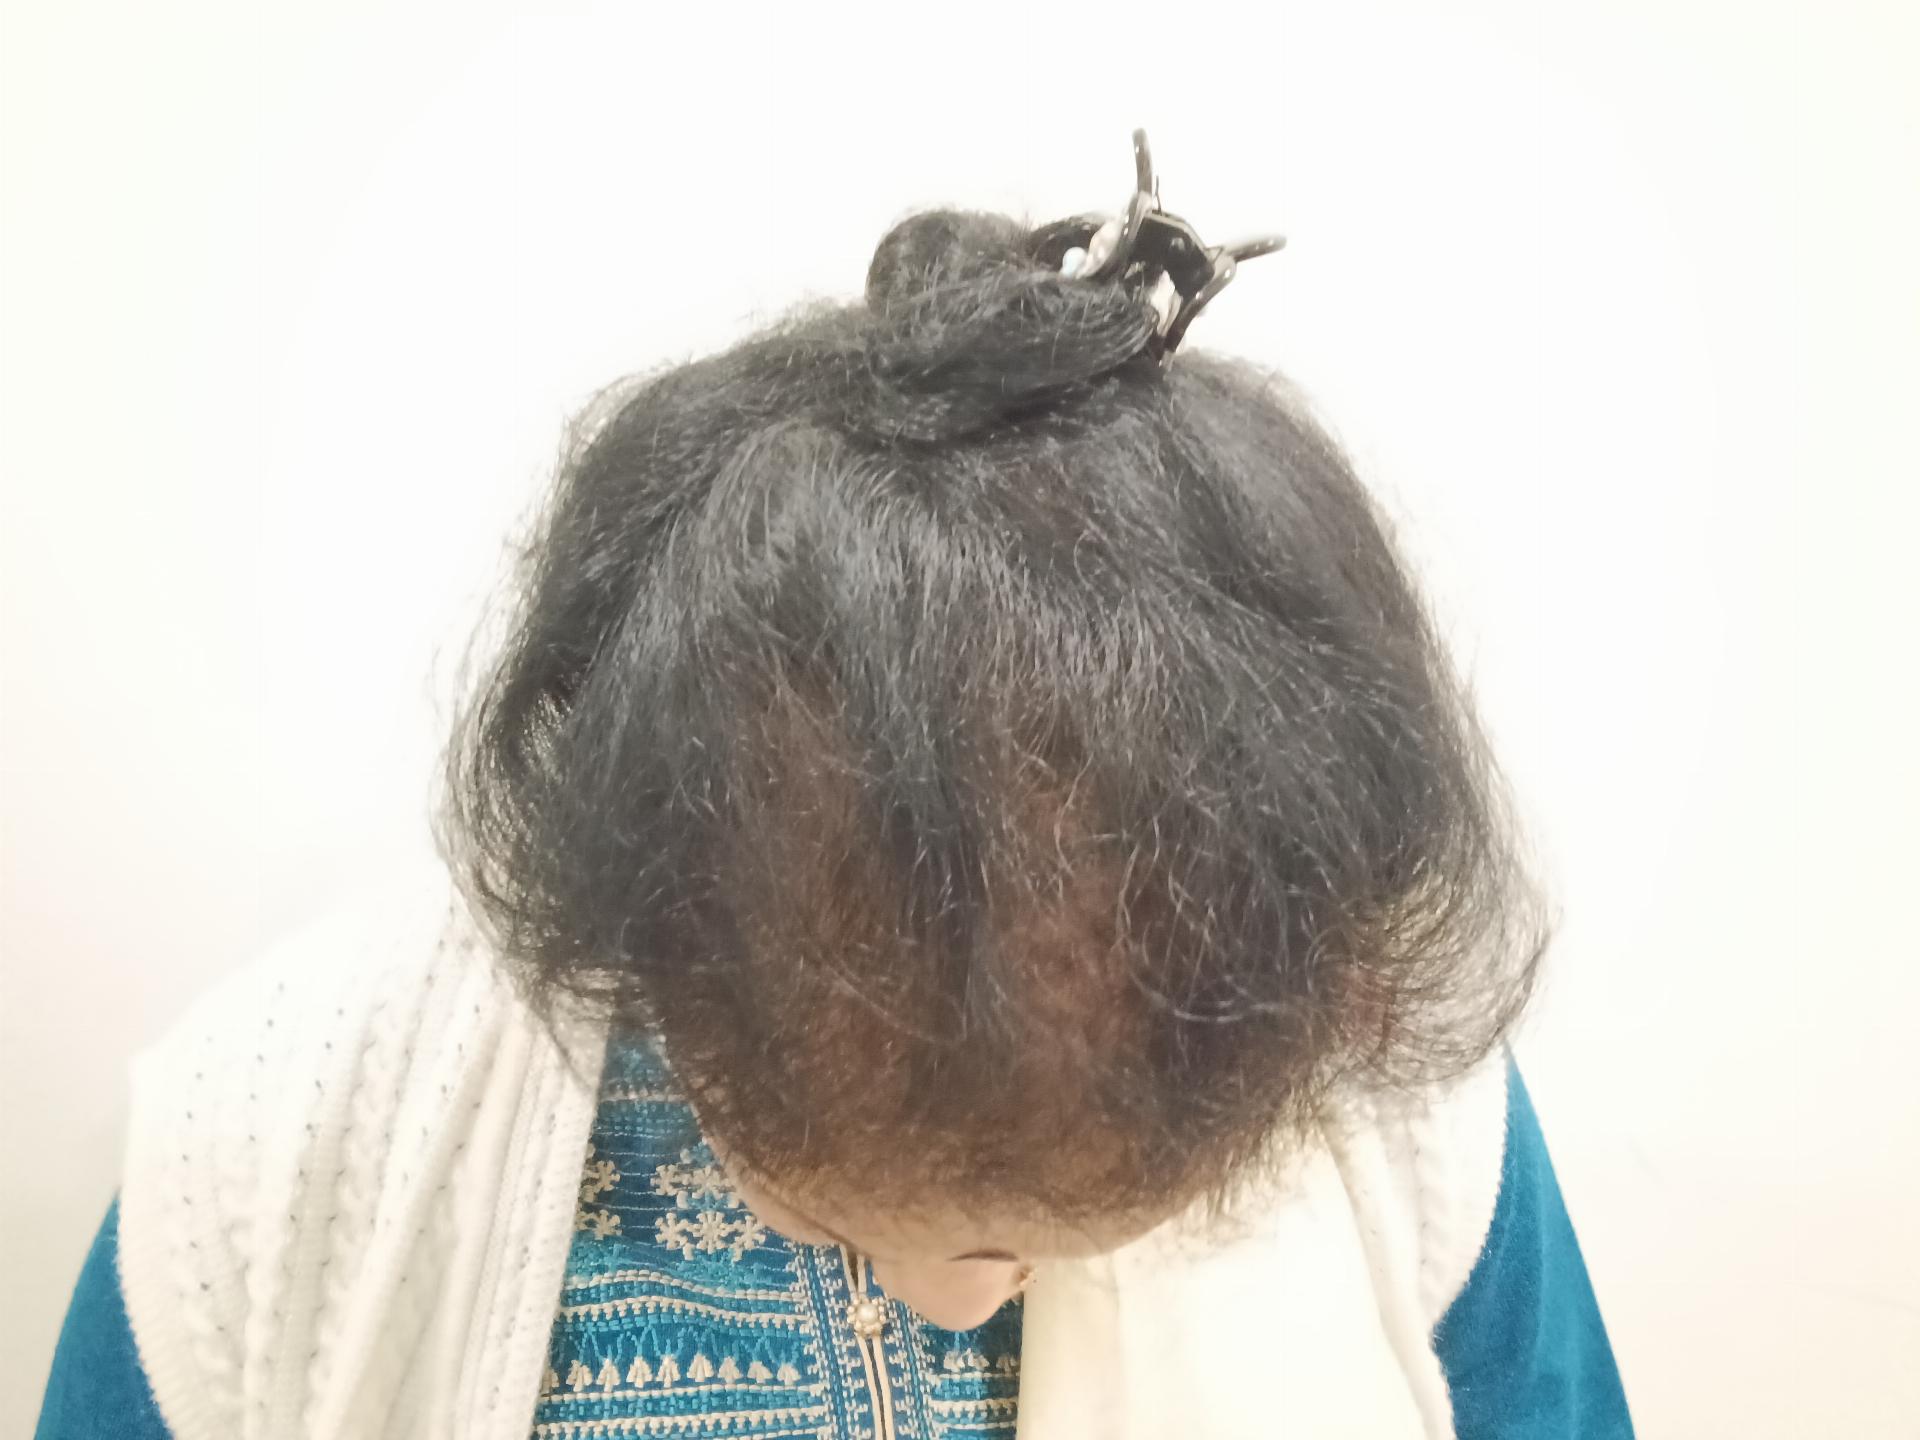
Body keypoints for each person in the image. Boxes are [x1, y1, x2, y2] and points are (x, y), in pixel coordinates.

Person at [35, 134, 1633, 1439]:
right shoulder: (282, 1144)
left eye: (1064, 1228)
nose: (970, 1299)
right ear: (673, 946)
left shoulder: (1397, 1120)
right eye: (916, 1219)